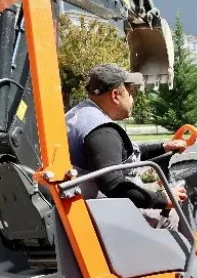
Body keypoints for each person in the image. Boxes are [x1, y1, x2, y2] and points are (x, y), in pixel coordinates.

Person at [66, 63, 189, 229]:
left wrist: (164, 147)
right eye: (130, 93)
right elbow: (113, 185)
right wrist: (163, 200)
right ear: (116, 95)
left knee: (152, 180)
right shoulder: (102, 132)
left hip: (82, 204)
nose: (132, 99)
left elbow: (123, 153)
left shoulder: (82, 114)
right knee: (171, 216)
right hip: (96, 213)